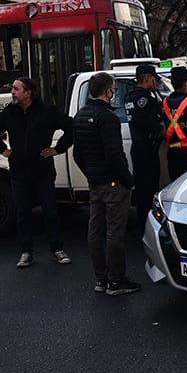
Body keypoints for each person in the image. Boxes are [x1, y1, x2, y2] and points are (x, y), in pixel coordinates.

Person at [0, 77, 74, 269]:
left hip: (43, 171)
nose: (12, 92)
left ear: (28, 92)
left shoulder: (48, 111)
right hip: (19, 172)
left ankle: (57, 249)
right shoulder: (10, 112)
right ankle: (26, 252)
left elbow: (71, 128)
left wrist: (57, 149)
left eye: (16, 89)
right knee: (22, 213)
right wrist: (3, 150)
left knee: (50, 211)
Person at [72, 72, 140, 297]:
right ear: (108, 91)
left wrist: (91, 174)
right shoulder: (108, 118)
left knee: (95, 231)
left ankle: (101, 279)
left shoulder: (81, 115)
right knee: (114, 232)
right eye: (113, 89)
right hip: (113, 184)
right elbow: (114, 156)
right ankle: (116, 280)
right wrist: (128, 181)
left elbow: (78, 155)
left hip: (95, 183)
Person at [124, 64, 164, 229]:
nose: (156, 83)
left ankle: (143, 223)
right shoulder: (146, 97)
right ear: (147, 78)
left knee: (141, 189)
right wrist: (160, 127)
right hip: (147, 148)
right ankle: (148, 226)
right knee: (150, 189)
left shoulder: (129, 96)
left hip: (139, 148)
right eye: (154, 79)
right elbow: (149, 121)